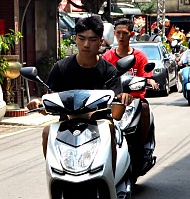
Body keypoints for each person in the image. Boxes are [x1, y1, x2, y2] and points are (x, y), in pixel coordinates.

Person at [42, 15, 130, 154]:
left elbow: (117, 115)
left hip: (99, 124)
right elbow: (49, 101)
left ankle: (110, 174)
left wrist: (123, 100)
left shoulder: (110, 71)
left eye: (92, 40)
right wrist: (38, 104)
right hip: (67, 124)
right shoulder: (61, 68)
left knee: (110, 129)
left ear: (101, 42)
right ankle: (54, 175)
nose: (86, 44)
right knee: (47, 132)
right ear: (75, 38)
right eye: (82, 38)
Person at [102, 17, 156, 148]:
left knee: (145, 108)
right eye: (118, 33)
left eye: (125, 33)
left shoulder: (140, 56)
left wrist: (150, 80)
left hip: (135, 100)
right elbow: (100, 77)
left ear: (131, 34)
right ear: (114, 33)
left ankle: (143, 146)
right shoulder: (107, 57)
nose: (121, 36)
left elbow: (146, 75)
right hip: (113, 100)